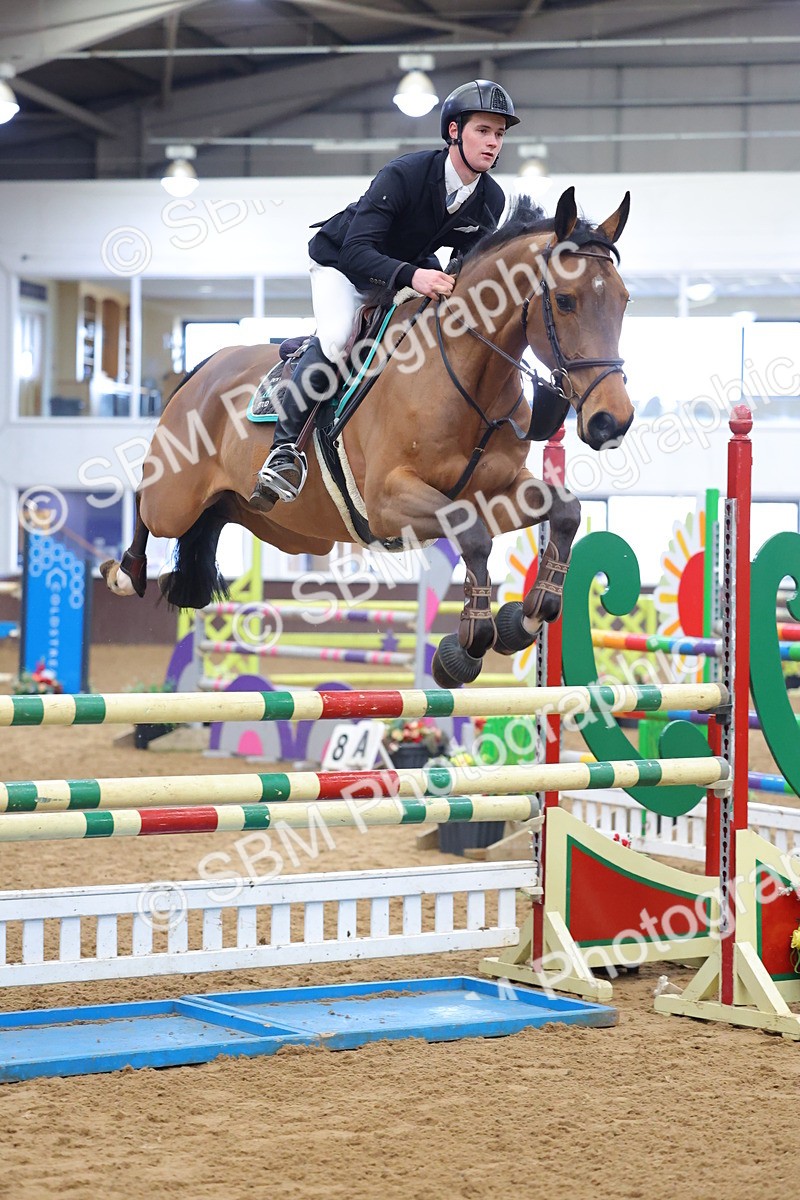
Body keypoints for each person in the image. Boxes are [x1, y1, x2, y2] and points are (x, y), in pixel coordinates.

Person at [249, 79, 520, 511]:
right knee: (339, 339)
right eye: (483, 131)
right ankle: (284, 452)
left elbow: (464, 269)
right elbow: (358, 251)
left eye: (500, 134)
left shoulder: (490, 197)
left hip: (405, 268)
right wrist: (415, 277)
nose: (493, 143)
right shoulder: (405, 174)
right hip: (343, 263)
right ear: (454, 131)